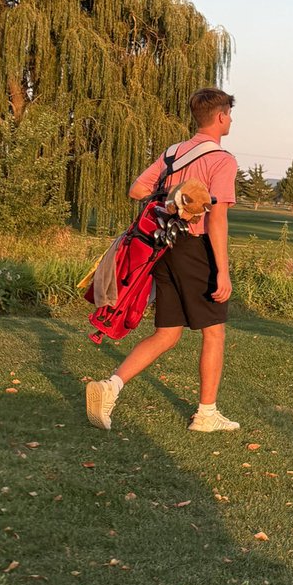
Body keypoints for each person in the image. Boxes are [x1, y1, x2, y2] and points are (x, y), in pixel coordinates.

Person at [85, 87, 240, 432]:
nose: (230, 119)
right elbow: (217, 220)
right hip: (195, 250)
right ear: (219, 117)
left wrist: (173, 195)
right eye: (229, 114)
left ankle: (110, 388)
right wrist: (223, 272)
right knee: (214, 332)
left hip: (164, 248)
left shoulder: (172, 153)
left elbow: (138, 190)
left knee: (168, 333)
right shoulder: (222, 160)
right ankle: (206, 414)